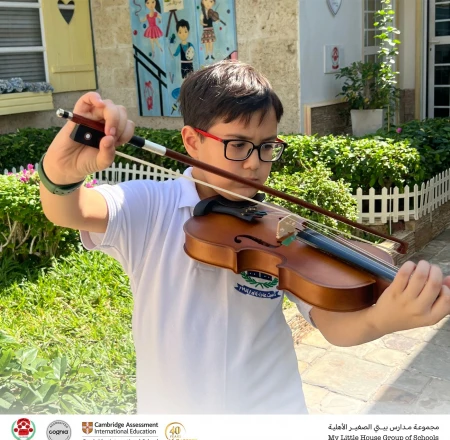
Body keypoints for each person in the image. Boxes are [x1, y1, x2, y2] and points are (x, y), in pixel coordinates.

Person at [39, 60, 450, 414]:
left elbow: (332, 324)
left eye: (266, 146)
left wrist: (382, 318)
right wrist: (61, 172)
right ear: (192, 141)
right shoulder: (150, 206)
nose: (255, 164)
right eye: (237, 145)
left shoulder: (279, 228)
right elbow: (69, 210)